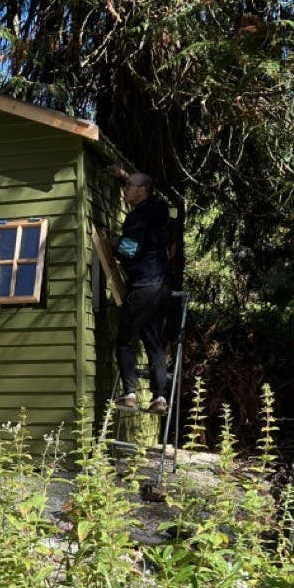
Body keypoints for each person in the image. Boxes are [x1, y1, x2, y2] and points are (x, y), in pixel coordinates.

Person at [112, 172, 171, 414]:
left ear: (142, 190)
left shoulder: (137, 217)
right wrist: (122, 174)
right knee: (154, 343)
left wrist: (114, 242)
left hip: (143, 285)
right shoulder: (160, 210)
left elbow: (129, 250)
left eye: (128, 186)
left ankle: (129, 394)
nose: (125, 190)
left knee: (124, 341)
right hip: (162, 286)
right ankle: (159, 399)